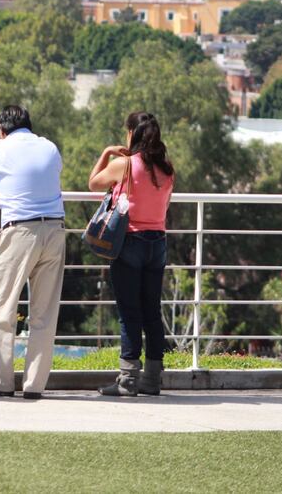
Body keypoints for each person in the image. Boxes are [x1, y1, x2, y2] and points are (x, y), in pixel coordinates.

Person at [0, 105, 66, 399]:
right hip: (55, 230)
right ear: (29, 126)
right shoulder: (49, 147)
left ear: (1, 129)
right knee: (44, 313)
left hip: (20, 231)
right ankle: (34, 386)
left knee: (2, 308)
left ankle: (0, 382)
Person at [89, 112, 175, 397]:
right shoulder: (167, 169)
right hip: (157, 243)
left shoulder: (124, 164)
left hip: (129, 243)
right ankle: (152, 379)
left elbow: (93, 183)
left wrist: (106, 153)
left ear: (132, 134)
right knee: (151, 310)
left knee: (129, 312)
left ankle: (127, 380)